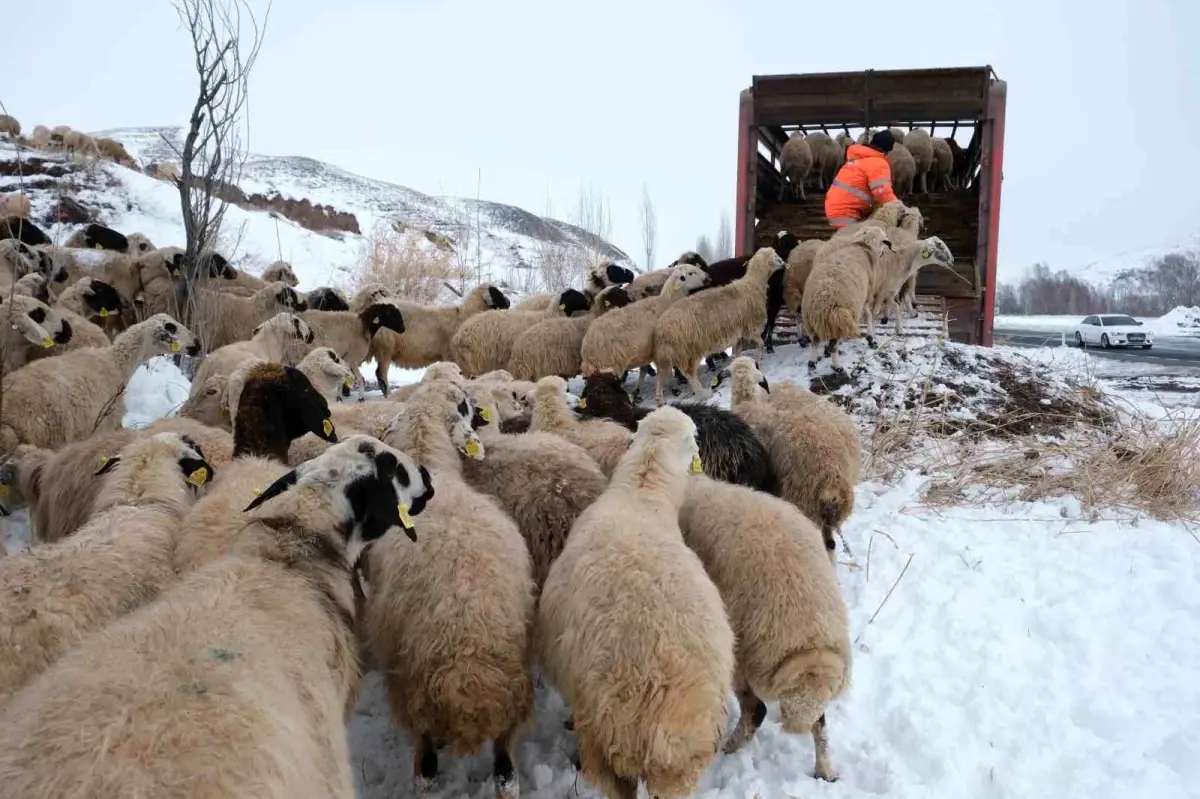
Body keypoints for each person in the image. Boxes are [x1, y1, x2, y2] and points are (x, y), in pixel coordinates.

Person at [825, 129, 899, 229]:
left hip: (835, 208)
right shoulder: (877, 162)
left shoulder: (858, 159)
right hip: (847, 213)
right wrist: (899, 208)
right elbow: (882, 193)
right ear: (887, 150)